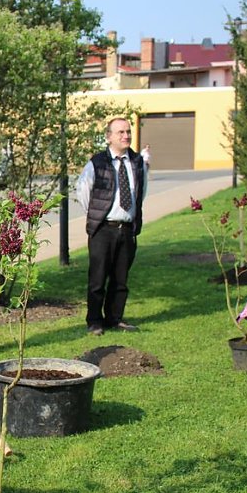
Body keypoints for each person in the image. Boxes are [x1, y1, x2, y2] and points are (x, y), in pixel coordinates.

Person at [75, 117, 146, 336]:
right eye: (120, 133)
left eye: (128, 132)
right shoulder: (97, 162)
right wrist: (100, 216)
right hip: (103, 229)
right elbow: (83, 192)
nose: (126, 136)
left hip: (126, 229)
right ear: (109, 137)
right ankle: (94, 321)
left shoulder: (137, 162)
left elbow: (140, 193)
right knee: (97, 279)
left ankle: (115, 318)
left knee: (121, 279)